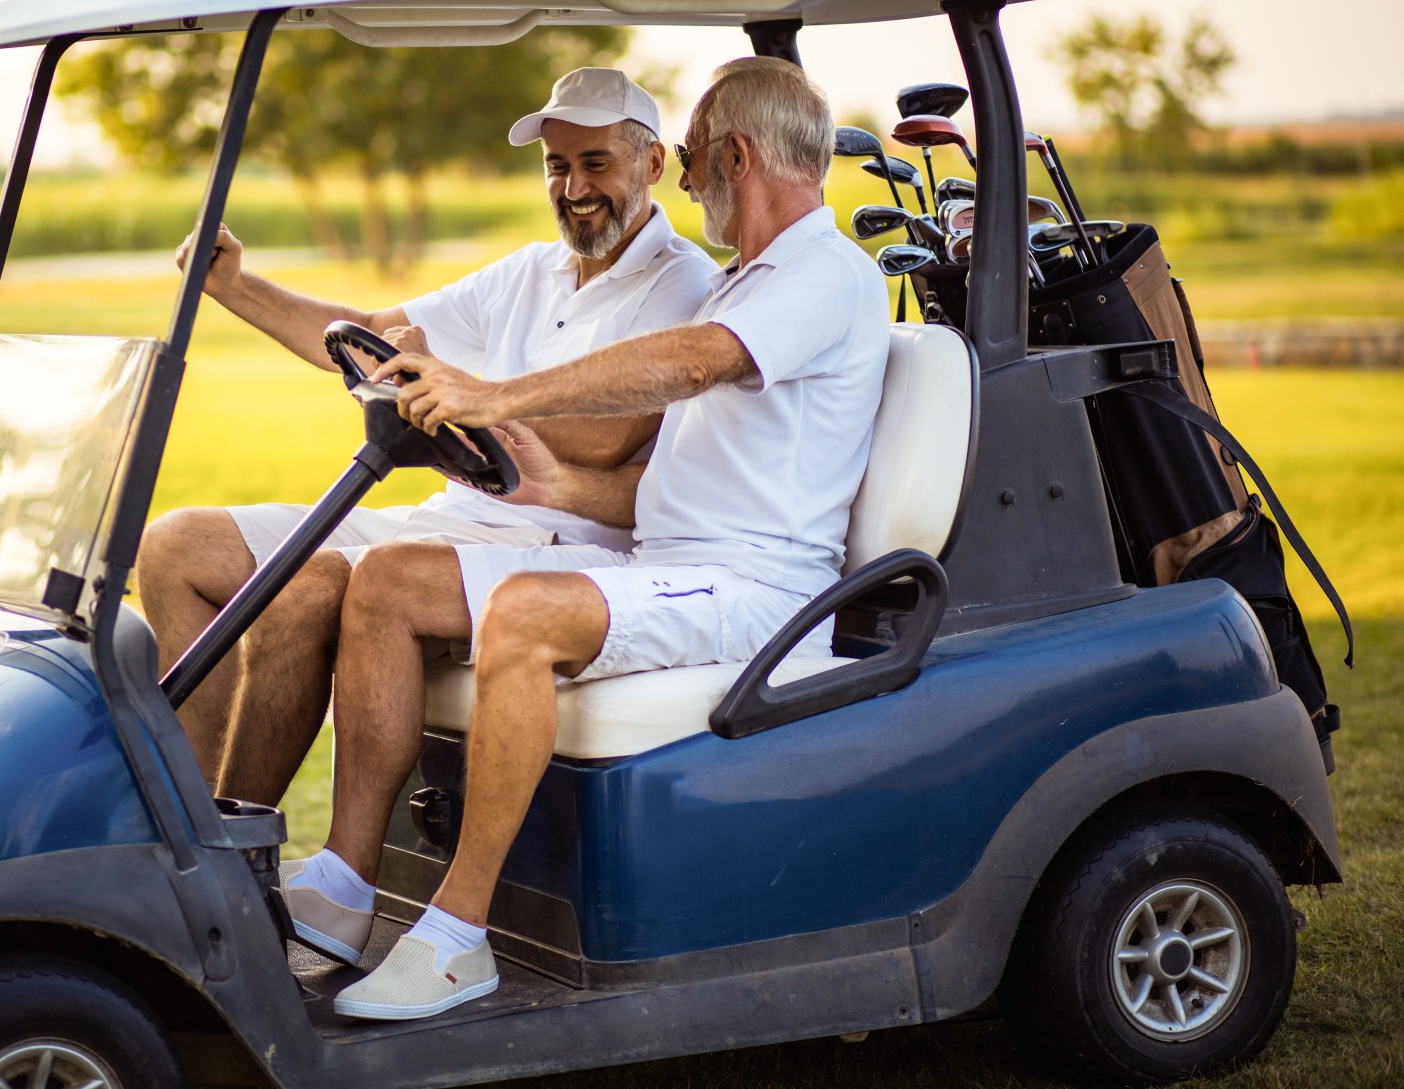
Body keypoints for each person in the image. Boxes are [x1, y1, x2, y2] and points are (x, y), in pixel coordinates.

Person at [278, 56, 891, 1021]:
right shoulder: (746, 280)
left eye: (689, 162)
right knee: (390, 583)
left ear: (735, 154)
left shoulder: (823, 275)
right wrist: (556, 480)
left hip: (759, 591)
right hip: (670, 566)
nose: (686, 186)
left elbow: (691, 365)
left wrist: (496, 391)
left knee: (526, 612)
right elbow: (671, 480)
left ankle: (454, 939)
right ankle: (347, 894)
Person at [138, 68, 719, 805]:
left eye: (595, 163)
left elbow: (604, 438)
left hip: (558, 544)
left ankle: (232, 853)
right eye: (557, 166)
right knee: (176, 546)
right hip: (452, 522)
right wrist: (235, 288)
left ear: (653, 164)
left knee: (302, 587)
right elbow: (375, 335)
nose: (573, 189)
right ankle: (190, 820)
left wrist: (463, 392)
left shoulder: (682, 283)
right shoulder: (529, 271)